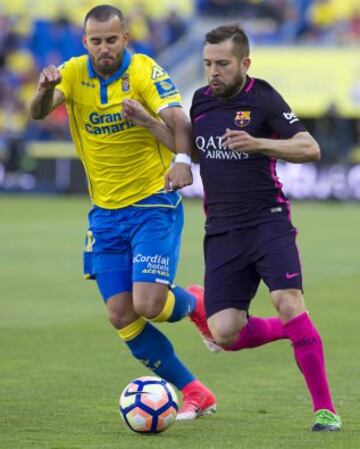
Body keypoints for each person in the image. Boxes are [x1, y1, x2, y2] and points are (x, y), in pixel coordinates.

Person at [124, 24, 342, 432]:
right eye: (208, 64)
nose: (213, 72)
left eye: (222, 64)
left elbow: (310, 147)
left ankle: (325, 410)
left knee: (288, 301)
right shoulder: (201, 101)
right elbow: (190, 150)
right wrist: (146, 122)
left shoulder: (263, 97)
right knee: (225, 333)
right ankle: (295, 332)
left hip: (267, 221)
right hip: (222, 232)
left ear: (244, 63)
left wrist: (260, 143)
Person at [29, 4, 216, 420]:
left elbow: (176, 118)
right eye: (96, 41)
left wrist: (182, 160)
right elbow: (39, 113)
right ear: (85, 42)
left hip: (152, 202)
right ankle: (195, 391)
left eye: (111, 39)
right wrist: (44, 89)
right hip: (105, 214)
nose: (104, 48)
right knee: (122, 315)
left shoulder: (145, 71)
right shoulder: (74, 72)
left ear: (125, 38)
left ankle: (196, 303)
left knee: (148, 304)